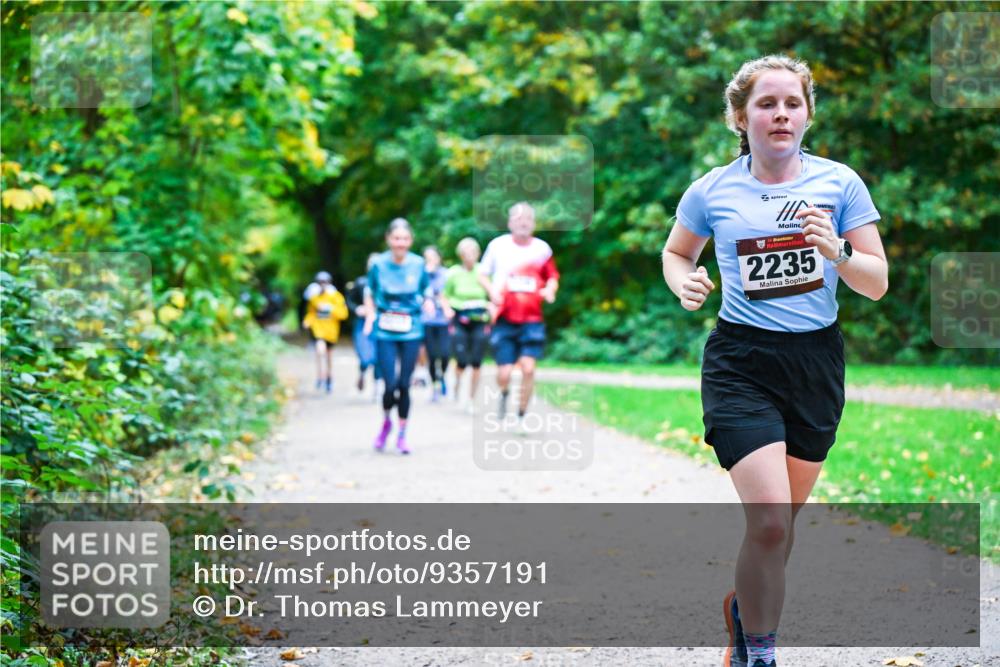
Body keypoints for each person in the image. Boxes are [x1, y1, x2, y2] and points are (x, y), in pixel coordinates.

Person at [661, 55, 888, 667]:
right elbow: (677, 252)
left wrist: (837, 251)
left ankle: (745, 612)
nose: (781, 114)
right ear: (741, 117)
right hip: (741, 363)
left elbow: (876, 283)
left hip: (815, 364)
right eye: (767, 103)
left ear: (808, 115)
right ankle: (759, 654)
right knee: (767, 524)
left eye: (793, 103)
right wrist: (684, 281)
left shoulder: (840, 184)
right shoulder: (712, 189)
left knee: (780, 529)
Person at [479, 202, 559, 419]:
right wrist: (492, 292)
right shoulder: (498, 246)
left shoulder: (542, 249)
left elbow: (552, 276)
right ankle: (504, 394)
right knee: (504, 372)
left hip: (532, 319)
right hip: (504, 317)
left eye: (528, 219)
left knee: (528, 368)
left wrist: (550, 290)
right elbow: (482, 274)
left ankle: (521, 415)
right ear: (510, 223)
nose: (523, 223)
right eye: (518, 219)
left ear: (533, 223)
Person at [364, 218, 433, 454]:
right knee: (389, 384)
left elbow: (426, 289)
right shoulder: (378, 264)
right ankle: (386, 422)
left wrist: (428, 302)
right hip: (385, 329)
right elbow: (369, 291)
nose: (400, 243)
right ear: (388, 239)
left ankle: (402, 434)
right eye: (396, 238)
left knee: (404, 385)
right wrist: (370, 314)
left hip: (411, 329)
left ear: (410, 241)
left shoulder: (418, 264)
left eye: (404, 239)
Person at [441, 237, 491, 410]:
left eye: (473, 252)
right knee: (461, 360)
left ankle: (471, 399)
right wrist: (447, 309)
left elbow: (493, 293)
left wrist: (492, 305)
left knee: (476, 361)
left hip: (480, 320)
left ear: (478, 254)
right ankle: (456, 385)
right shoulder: (453, 273)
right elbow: (444, 296)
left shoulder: (484, 272)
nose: (469, 256)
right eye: (466, 253)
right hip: (460, 320)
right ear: (460, 255)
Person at [301, 271, 349, 394]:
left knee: (328, 356)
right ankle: (320, 376)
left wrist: (331, 309)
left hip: (331, 332)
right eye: (320, 282)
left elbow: (344, 314)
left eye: (325, 282)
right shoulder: (314, 297)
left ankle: (329, 377)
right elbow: (311, 313)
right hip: (318, 330)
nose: (322, 284)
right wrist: (307, 321)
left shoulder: (336, 297)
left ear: (329, 283)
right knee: (319, 351)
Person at [346, 253, 381, 397]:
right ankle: (362, 371)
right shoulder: (361, 282)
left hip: (380, 323)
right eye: (371, 263)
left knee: (379, 355)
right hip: (362, 323)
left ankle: (377, 387)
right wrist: (357, 309)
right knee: (365, 355)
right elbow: (349, 300)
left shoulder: (387, 283)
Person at [422, 246, 451, 401]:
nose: (430, 260)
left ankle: (442, 376)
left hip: (444, 321)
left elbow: (450, 294)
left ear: (439, 258)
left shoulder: (446, 274)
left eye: (433, 257)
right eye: (427, 257)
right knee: (432, 356)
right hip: (427, 321)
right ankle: (435, 385)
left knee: (445, 354)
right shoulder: (421, 275)